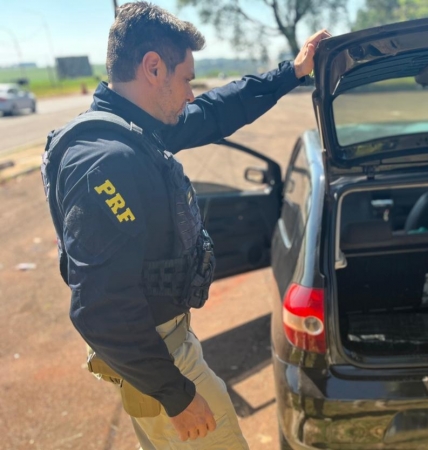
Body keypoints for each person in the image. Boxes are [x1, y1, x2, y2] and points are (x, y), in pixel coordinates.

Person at [40, 2, 329, 448]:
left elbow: (215, 111)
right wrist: (175, 395)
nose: (191, 93)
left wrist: (292, 72)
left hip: (156, 353)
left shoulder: (135, 127)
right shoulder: (106, 161)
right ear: (153, 67)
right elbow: (99, 308)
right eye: (186, 79)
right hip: (160, 360)